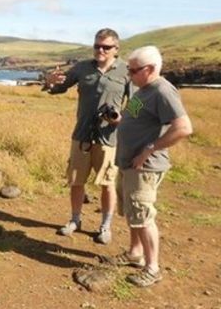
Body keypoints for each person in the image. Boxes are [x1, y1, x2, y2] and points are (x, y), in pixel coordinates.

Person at [107, 45, 192, 287]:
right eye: (129, 70)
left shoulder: (163, 91)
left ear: (151, 69)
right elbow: (128, 118)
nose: (130, 75)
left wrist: (149, 149)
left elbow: (183, 127)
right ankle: (135, 253)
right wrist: (116, 119)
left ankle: (152, 267)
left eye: (134, 70)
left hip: (144, 167)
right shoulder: (141, 91)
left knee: (143, 216)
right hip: (127, 163)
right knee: (133, 212)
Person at [44, 28, 131, 244]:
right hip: (82, 135)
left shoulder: (127, 71)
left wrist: (122, 119)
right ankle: (75, 220)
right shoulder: (82, 68)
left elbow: (137, 101)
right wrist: (50, 81)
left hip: (109, 138)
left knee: (107, 183)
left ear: (116, 50)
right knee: (76, 181)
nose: (100, 50)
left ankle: (105, 226)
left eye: (106, 47)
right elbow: (58, 88)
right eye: (97, 46)